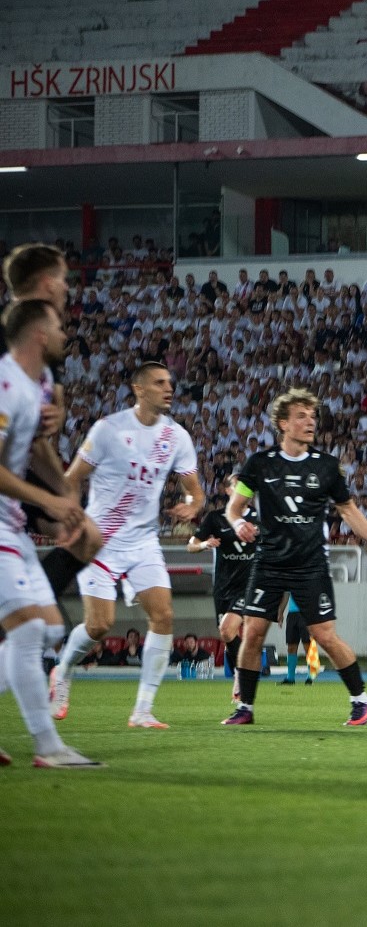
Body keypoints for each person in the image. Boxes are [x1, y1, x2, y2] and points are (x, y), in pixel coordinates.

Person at [221, 388, 367, 727]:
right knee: (253, 632)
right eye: (301, 416)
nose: (310, 422)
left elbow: (348, 511)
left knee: (325, 636)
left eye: (312, 416)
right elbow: (234, 508)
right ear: (283, 424)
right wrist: (238, 523)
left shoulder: (326, 466)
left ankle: (361, 701)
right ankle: (245, 707)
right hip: (269, 562)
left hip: (310, 564)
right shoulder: (259, 464)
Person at [50, 362, 206, 730]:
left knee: (163, 616)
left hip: (143, 541)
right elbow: (72, 478)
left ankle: (142, 711)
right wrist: (69, 517)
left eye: (170, 382)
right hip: (100, 540)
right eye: (159, 382)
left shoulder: (176, 436)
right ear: (139, 389)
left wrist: (193, 505)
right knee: (100, 626)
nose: (168, 388)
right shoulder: (109, 430)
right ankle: (63, 669)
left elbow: (195, 490)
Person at [0, 299, 101, 767]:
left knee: (51, 628)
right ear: (40, 334)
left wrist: (66, 498)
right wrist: (51, 501)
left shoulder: (34, 385)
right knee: (30, 627)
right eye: (59, 327)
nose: (65, 334)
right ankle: (48, 746)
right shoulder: (6, 385)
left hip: (14, 526)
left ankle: (48, 746)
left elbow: (36, 450)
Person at [4, 245, 104, 616]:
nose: (67, 287)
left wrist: (63, 492)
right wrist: (53, 497)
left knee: (86, 537)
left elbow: (43, 423)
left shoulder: (44, 343)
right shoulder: (13, 340)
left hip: (23, 460)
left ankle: (28, 615)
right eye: (63, 279)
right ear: (47, 283)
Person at [188, 475, 258, 687]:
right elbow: (191, 545)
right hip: (222, 586)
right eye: (238, 486)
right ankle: (242, 671)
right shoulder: (215, 518)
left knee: (228, 629)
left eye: (246, 487)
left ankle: (242, 676)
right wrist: (204, 544)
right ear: (228, 490)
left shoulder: (258, 517)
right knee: (227, 635)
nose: (244, 491)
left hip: (247, 585)